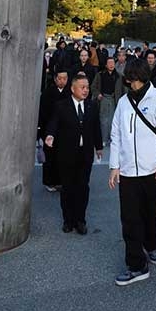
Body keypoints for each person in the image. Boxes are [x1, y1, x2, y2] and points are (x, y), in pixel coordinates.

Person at [108, 62, 156, 286]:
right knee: (130, 218)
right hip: (128, 172)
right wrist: (114, 166)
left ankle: (151, 244)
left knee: (151, 212)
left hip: (152, 170)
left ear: (144, 79)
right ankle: (136, 265)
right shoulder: (123, 103)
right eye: (130, 80)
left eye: (136, 80)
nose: (133, 84)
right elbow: (116, 135)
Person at [44, 73, 104, 235]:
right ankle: (68, 220)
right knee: (67, 188)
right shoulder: (61, 106)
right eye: (82, 87)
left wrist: (99, 147)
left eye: (87, 87)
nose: (86, 91)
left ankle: (80, 220)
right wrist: (50, 135)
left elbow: (96, 128)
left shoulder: (92, 106)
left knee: (83, 188)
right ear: (73, 89)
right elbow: (53, 123)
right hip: (66, 154)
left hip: (85, 155)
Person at [39, 71, 71, 191]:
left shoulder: (70, 92)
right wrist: (41, 131)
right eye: (60, 78)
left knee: (63, 156)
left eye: (65, 78)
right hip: (50, 129)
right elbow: (42, 112)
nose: (62, 81)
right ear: (55, 79)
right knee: (50, 157)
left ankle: (61, 181)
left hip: (65, 129)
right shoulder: (48, 92)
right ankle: (49, 182)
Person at [92, 56, 122, 148]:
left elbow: (124, 89)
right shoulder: (100, 74)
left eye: (113, 63)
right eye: (109, 63)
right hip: (103, 98)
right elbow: (93, 87)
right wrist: (98, 94)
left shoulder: (119, 76)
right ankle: (103, 139)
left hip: (114, 99)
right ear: (106, 65)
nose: (111, 65)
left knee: (113, 120)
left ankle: (112, 139)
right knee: (103, 119)